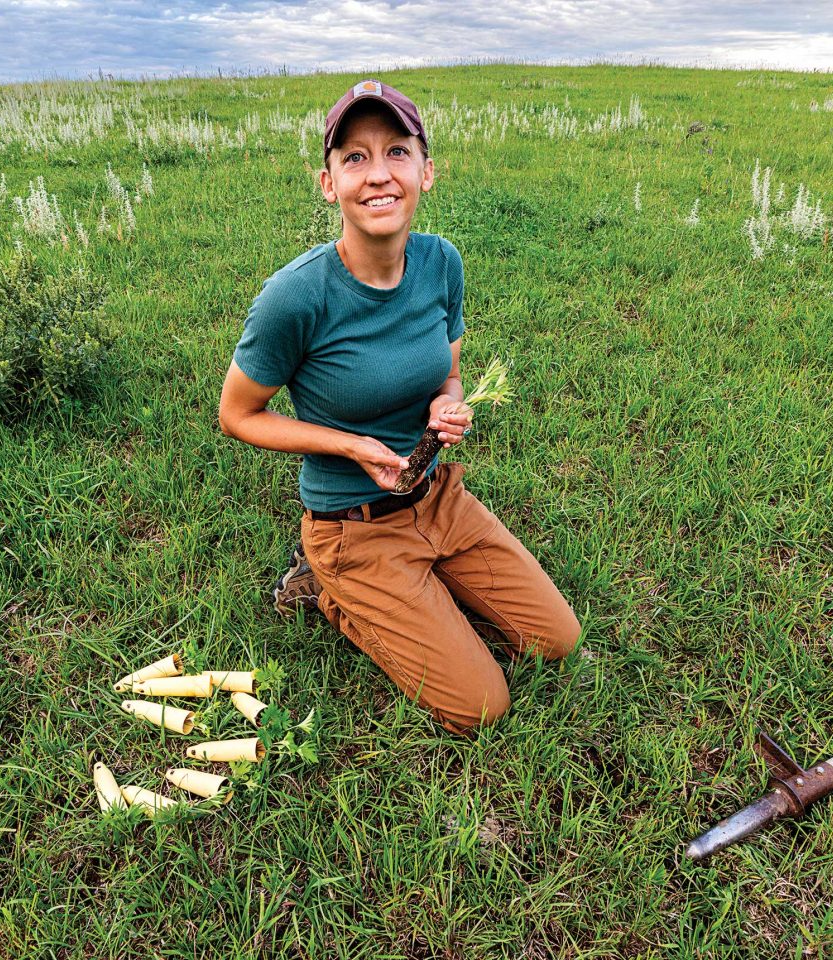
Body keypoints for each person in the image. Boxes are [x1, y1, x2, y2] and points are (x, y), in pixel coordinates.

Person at [218, 79, 580, 735]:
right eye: (354, 157)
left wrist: (450, 406)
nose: (377, 175)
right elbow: (238, 415)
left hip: (441, 499)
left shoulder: (442, 263)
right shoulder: (295, 298)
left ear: (426, 171)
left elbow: (449, 375)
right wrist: (351, 446)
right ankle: (330, 587)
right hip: (355, 527)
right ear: (328, 182)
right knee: (480, 707)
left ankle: (421, 588)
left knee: (557, 641)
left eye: (396, 153)